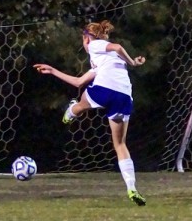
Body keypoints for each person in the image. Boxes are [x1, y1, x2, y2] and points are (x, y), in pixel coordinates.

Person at [33, 20, 147, 206]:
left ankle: (72, 110)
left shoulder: (96, 44)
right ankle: (131, 187)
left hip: (104, 90)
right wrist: (53, 71)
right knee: (120, 144)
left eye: (83, 39)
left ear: (87, 38)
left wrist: (132, 63)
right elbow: (79, 82)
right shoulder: (103, 61)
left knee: (81, 104)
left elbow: (117, 47)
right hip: (124, 97)